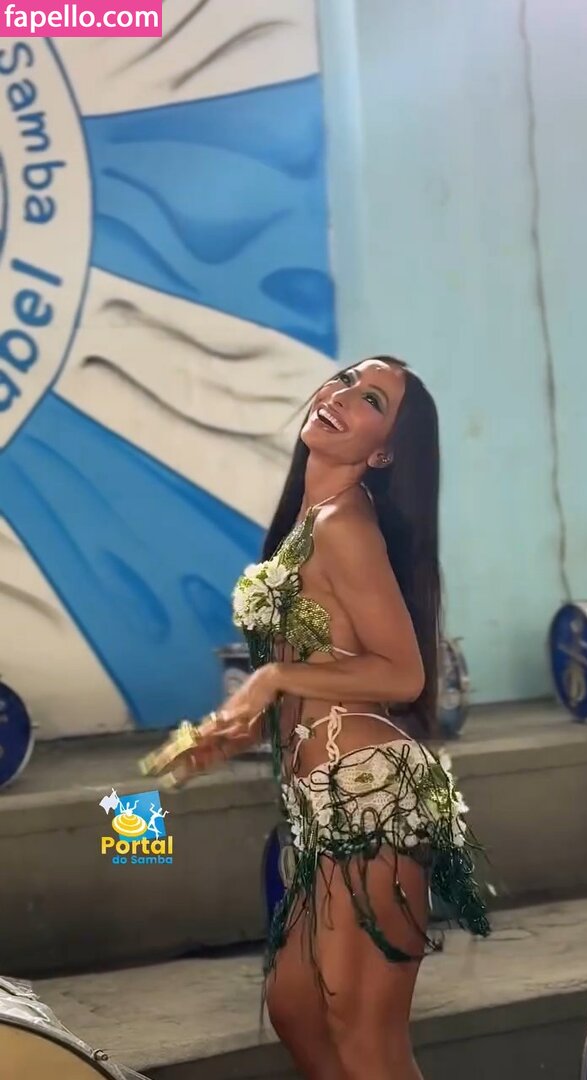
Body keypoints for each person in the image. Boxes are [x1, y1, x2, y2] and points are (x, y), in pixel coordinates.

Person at [142, 356, 490, 1080]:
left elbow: (403, 674)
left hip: (371, 794)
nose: (340, 395)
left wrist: (271, 678)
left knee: (362, 1036)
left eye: (372, 400)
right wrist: (223, 733)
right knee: (297, 1007)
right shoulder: (308, 526)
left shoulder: (345, 526)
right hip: (320, 803)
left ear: (383, 452)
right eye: (345, 379)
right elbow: (313, 664)